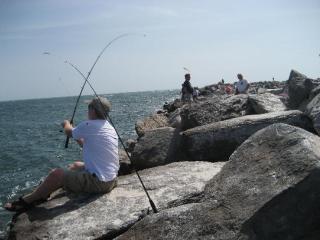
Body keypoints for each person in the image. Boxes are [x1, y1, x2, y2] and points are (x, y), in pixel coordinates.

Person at [5, 96, 119, 212]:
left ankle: (27, 201)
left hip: (99, 183)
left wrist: (66, 123)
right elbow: (85, 144)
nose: (88, 110)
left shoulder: (89, 125)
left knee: (56, 174)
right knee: (75, 165)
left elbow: (69, 132)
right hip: (112, 179)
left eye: (89, 107)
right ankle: (46, 191)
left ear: (93, 110)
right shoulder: (108, 127)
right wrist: (75, 132)